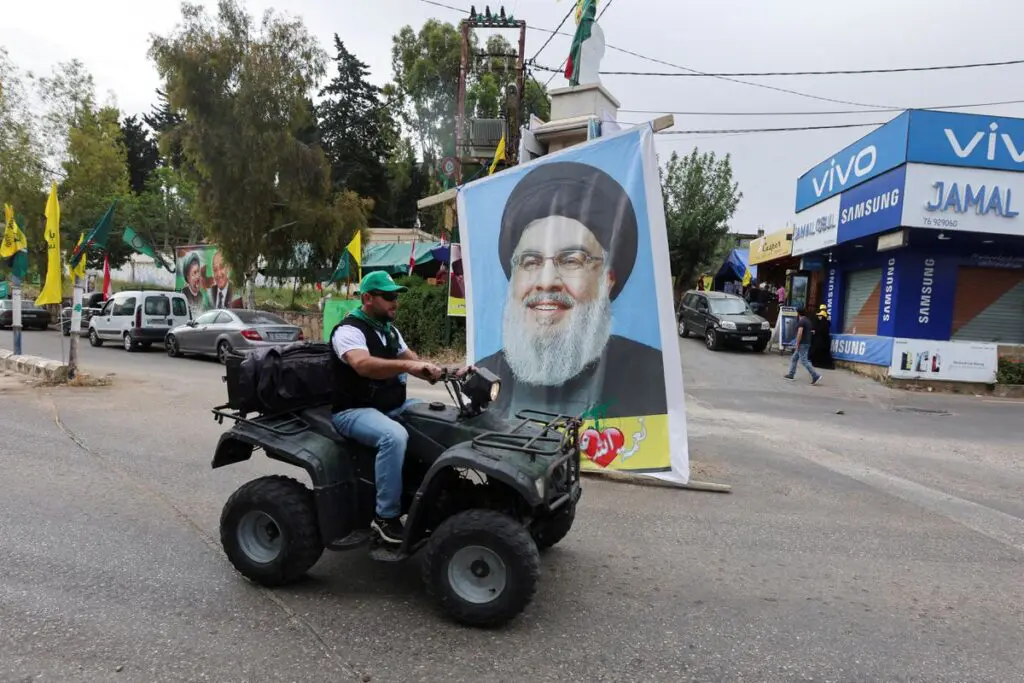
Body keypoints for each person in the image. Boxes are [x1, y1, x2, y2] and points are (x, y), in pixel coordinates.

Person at [476, 160, 668, 420]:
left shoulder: (653, 379)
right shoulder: (484, 374)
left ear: (607, 280)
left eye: (571, 260)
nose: (546, 282)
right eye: (530, 262)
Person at [329, 271, 456, 544]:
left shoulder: (389, 331)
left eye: (396, 296)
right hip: (353, 410)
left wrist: (450, 371)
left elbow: (416, 363)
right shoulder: (349, 330)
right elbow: (362, 365)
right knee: (393, 436)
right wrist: (407, 366)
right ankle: (385, 517)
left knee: (439, 420)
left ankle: (435, 494)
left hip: (392, 406)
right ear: (367, 298)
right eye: (388, 297)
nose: (394, 302)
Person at [784, 307, 822, 385]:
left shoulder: (801, 322)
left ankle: (815, 375)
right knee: (794, 358)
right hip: (807, 342)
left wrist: (797, 343)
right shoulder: (808, 321)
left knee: (804, 361)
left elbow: (800, 333)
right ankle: (791, 374)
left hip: (802, 344)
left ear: (798, 313)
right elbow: (811, 331)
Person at [810, 304, 835, 369]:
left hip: (818, 336)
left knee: (816, 349)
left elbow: (814, 326)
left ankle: (816, 362)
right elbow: (829, 324)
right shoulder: (827, 316)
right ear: (825, 309)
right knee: (825, 350)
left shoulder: (817, 315)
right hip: (825, 337)